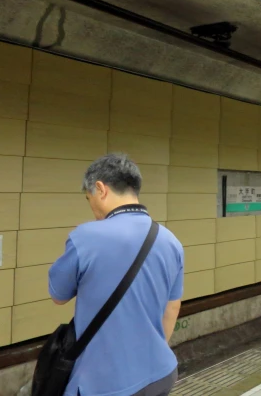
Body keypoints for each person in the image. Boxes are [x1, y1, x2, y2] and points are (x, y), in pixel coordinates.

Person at [49, 154, 184, 396]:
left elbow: (58, 295)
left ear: (100, 188)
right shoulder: (170, 240)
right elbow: (172, 307)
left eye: (88, 198)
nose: (91, 207)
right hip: (159, 373)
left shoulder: (85, 237)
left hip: (102, 383)